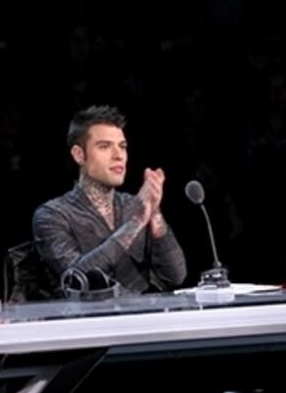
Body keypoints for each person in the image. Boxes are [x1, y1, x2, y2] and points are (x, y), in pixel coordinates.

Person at [32, 105, 187, 294]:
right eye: (104, 146)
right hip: (88, 313)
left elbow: (175, 277)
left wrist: (155, 215)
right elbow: (76, 278)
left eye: (122, 146)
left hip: (142, 311)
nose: (118, 155)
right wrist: (136, 222)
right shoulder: (52, 215)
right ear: (79, 155)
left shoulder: (135, 205)